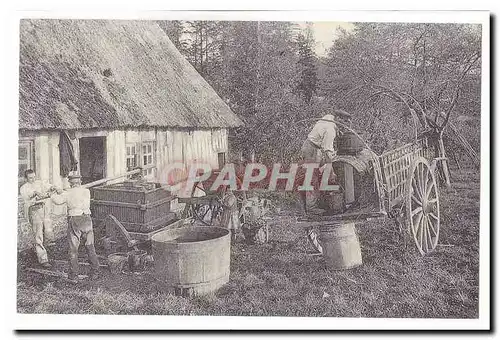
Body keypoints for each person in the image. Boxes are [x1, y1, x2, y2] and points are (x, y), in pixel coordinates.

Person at [51, 172, 99, 281]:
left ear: (70, 183)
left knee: (73, 249)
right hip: (87, 219)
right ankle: (95, 271)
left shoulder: (67, 193)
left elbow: (57, 201)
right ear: (80, 182)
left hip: (75, 220)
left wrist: (52, 194)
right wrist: (61, 191)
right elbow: (74, 194)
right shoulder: (86, 191)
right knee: (90, 246)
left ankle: (74, 275)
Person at [298, 113, 339, 212]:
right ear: (338, 119)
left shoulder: (329, 117)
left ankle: (316, 201)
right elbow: (327, 151)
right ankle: (311, 208)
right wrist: (331, 171)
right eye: (344, 121)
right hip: (311, 149)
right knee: (312, 177)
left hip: (312, 147)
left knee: (315, 175)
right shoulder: (330, 130)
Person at [19, 169, 57, 267]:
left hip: (43, 208)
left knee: (47, 231)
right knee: (38, 233)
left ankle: (47, 253)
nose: (33, 179)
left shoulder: (39, 183)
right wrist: (35, 193)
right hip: (34, 210)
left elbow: (47, 186)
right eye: (30, 178)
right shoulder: (24, 187)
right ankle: (43, 259)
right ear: (25, 178)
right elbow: (27, 198)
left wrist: (52, 187)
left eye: (34, 177)